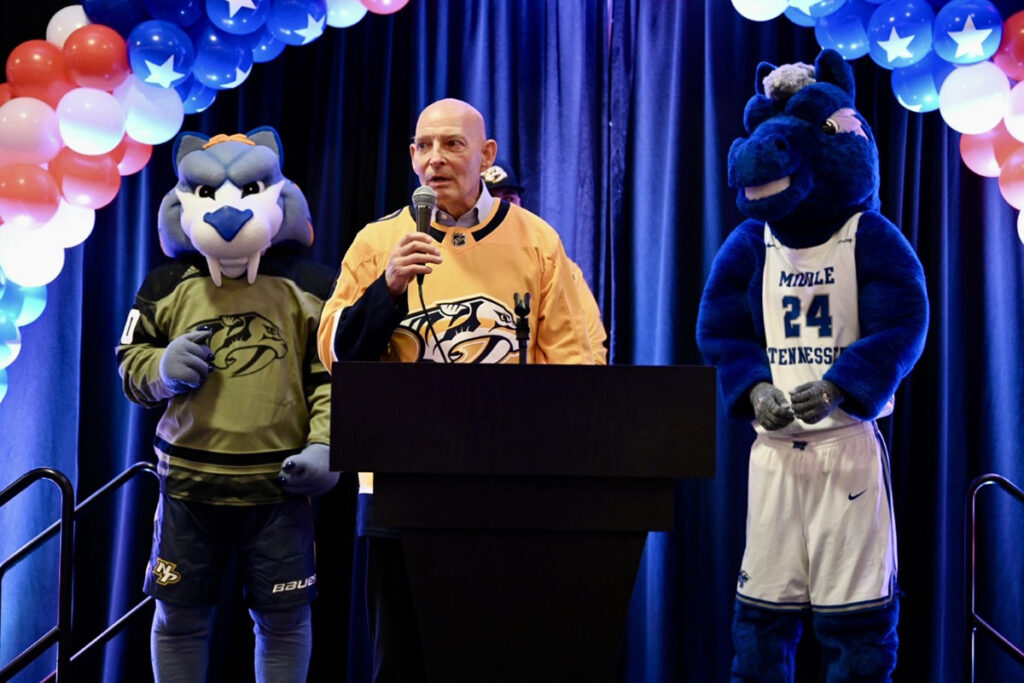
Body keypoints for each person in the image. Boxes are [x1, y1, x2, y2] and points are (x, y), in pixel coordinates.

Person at [317, 98, 595, 681]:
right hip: (398, 486)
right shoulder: (378, 243)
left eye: (452, 144)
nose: (434, 160)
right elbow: (338, 353)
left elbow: (573, 363)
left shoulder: (536, 241)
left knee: (494, 654)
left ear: (486, 155)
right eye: (424, 146)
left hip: (501, 486)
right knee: (400, 659)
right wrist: (387, 288)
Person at [117, 128, 338, 683]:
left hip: (278, 488)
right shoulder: (166, 284)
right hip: (189, 485)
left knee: (284, 621)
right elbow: (128, 364)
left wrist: (325, 443)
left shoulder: (310, 285)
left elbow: (331, 377)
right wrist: (161, 368)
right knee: (178, 619)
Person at [482, 159, 609, 364]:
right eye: (492, 200)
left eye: (509, 199)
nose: (502, 208)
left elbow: (591, 353)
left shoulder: (559, 266)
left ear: (521, 204)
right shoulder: (463, 266)